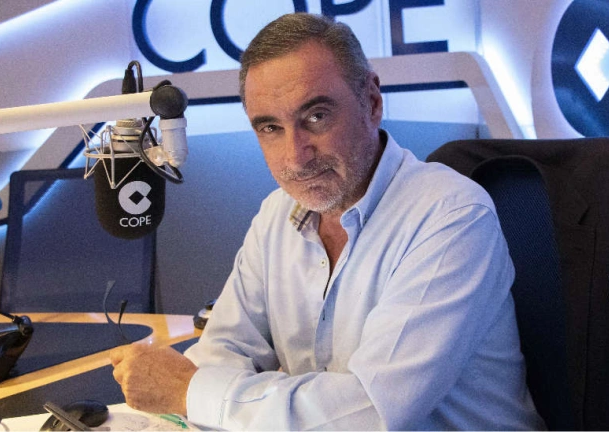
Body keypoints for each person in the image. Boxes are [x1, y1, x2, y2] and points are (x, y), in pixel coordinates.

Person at [111, 12, 544, 430]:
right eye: (270, 128)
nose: (295, 157)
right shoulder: (276, 215)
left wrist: (191, 392)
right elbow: (225, 351)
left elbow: (371, 413)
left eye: (316, 117)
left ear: (371, 102)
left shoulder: (451, 216)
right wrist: (189, 390)